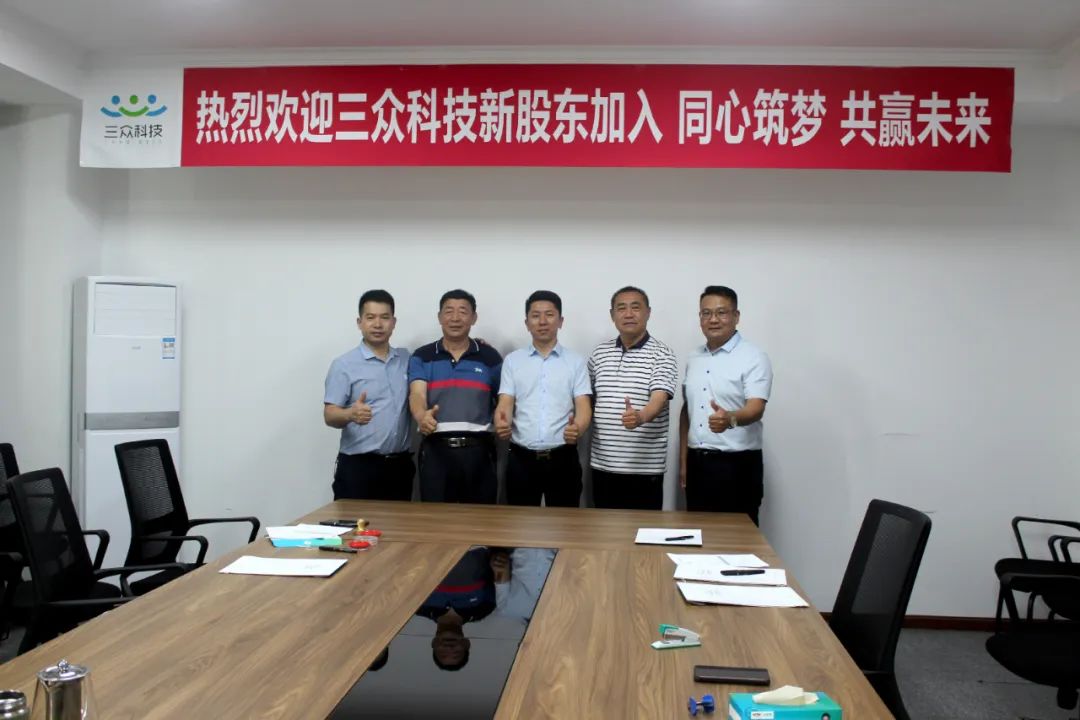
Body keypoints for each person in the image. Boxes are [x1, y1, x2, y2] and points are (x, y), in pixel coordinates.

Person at [679, 285, 772, 525]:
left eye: (721, 312)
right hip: (698, 464)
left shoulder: (753, 357)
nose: (713, 319)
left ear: (736, 316)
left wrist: (729, 419)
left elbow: (756, 408)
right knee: (699, 535)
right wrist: (684, 461)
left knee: (739, 540)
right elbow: (687, 411)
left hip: (737, 466)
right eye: (706, 313)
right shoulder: (694, 358)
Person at [494, 290, 592, 507]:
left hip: (563, 458)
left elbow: (584, 406)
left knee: (566, 522)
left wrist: (578, 428)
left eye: (549, 314)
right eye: (536, 315)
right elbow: (506, 402)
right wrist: (501, 422)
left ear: (560, 321)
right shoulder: (513, 361)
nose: (542, 321)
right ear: (527, 323)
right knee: (518, 522)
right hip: (521, 458)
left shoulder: (575, 362)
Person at [587, 286, 677, 510]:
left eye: (635, 308)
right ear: (612, 315)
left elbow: (659, 399)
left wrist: (640, 417)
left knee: (643, 531)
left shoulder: (662, 353)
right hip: (603, 466)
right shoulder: (599, 354)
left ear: (648, 313)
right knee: (603, 530)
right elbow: (587, 401)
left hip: (644, 470)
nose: (628, 314)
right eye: (621, 308)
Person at [408, 289, 502, 503]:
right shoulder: (422, 356)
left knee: (481, 518)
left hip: (480, 452)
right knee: (436, 518)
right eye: (449, 311)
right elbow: (417, 393)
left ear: (474, 318)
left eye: (463, 311)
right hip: (436, 450)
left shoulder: (490, 356)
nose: (455, 318)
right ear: (439, 317)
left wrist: (504, 419)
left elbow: (504, 399)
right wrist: (421, 416)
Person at [323, 289, 413, 501]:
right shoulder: (344, 364)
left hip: (400, 467)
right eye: (370, 317)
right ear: (359, 322)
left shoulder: (407, 359)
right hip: (359, 467)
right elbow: (329, 415)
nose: (378, 324)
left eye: (385, 317)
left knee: (400, 522)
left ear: (394, 322)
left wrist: (478, 345)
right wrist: (350, 414)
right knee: (354, 522)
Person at [415, 546, 497, 671]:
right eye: (456, 653)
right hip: (475, 541)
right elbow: (500, 572)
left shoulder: (417, 607)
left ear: (433, 643)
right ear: (466, 644)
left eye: (443, 653)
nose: (449, 648)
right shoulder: (482, 609)